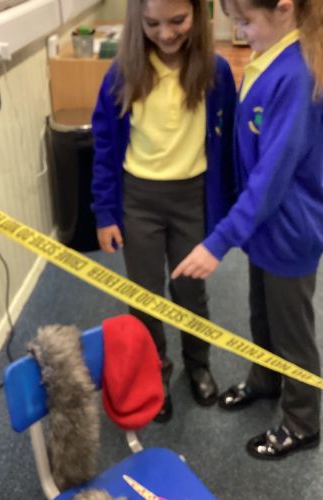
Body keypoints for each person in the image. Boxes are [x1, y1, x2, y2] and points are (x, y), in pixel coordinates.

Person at [172, 0, 323, 457]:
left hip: (290, 230)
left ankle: (302, 422)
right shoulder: (268, 58)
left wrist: (219, 241)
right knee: (263, 316)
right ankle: (266, 379)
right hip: (265, 228)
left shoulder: (295, 76)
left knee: (292, 333)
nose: (241, 31)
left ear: (285, 9)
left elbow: (271, 179)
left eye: (246, 21)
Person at [91, 0, 237, 423]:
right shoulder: (121, 74)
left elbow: (228, 144)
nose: (166, 34)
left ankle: (198, 364)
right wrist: (105, 213)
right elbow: (104, 147)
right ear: (137, 19)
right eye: (152, 23)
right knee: (145, 296)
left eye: (178, 20)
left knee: (190, 292)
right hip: (139, 200)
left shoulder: (215, 71)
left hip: (192, 197)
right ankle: (156, 372)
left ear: (199, 14)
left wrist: (227, 214)